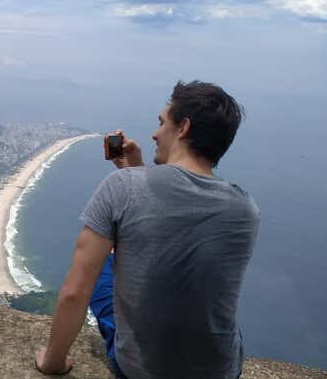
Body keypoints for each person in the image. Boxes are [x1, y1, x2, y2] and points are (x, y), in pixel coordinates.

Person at [34, 81, 259, 378]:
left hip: (140, 370)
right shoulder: (245, 208)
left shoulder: (121, 187)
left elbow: (75, 292)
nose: (154, 134)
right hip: (221, 371)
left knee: (104, 267)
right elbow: (178, 233)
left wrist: (52, 361)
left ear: (183, 128)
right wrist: (136, 172)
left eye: (162, 122)